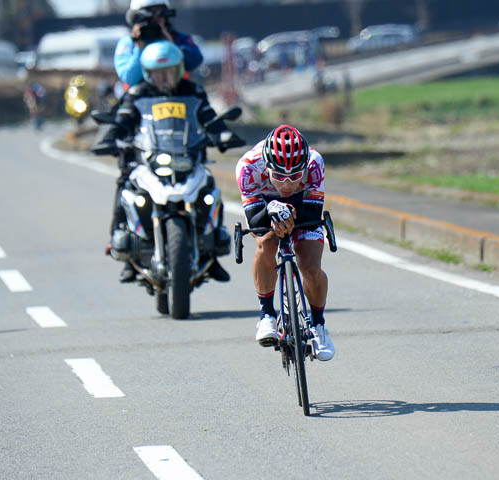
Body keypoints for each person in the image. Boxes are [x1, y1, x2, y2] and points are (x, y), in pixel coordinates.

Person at [107, 40, 242, 283]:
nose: (164, 79)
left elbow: (208, 116)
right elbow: (124, 118)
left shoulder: (192, 91)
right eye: (158, 74)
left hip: (187, 157)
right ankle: (127, 255)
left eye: (169, 72)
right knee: (125, 187)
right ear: (147, 74)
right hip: (149, 159)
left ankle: (213, 255)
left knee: (211, 190)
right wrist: (111, 138)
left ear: (179, 70)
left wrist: (222, 134)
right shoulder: (138, 93)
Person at [235, 125, 335, 361]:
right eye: (279, 176)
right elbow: (254, 219)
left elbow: (312, 213)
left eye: (294, 177)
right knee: (266, 243)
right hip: (265, 204)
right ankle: (267, 315)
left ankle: (319, 325)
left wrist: (288, 211)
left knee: (310, 266)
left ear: (304, 168)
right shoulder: (248, 166)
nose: (287, 184)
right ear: (266, 166)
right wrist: (272, 210)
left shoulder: (314, 162)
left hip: (302, 205)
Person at [91, 0, 203, 155]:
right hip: (139, 103)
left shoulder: (178, 38)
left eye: (159, 16)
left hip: (178, 96)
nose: (155, 22)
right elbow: (129, 76)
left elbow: (195, 60)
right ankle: (111, 143)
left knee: (198, 96)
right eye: (149, 17)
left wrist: (170, 44)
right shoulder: (128, 43)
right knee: (124, 121)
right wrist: (139, 47)